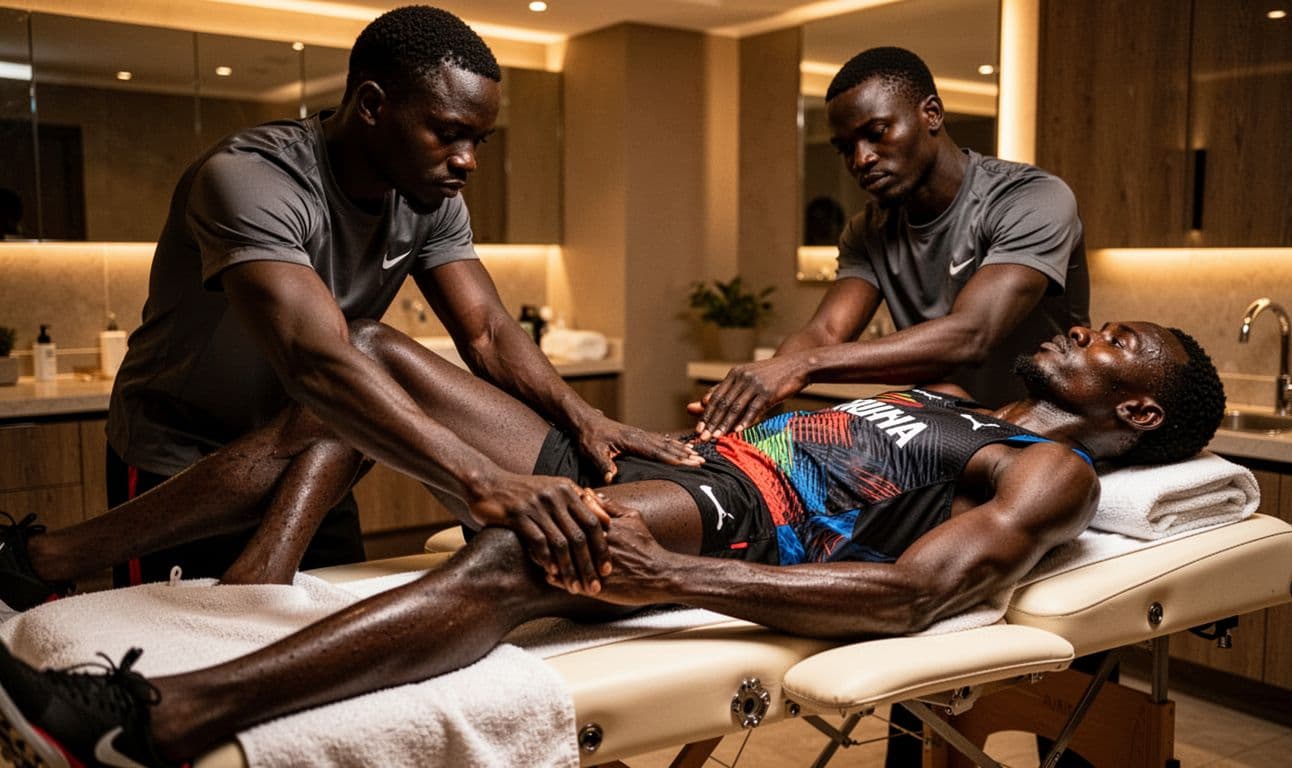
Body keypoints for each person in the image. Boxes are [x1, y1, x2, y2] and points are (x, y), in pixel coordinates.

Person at [0, 317, 1225, 767]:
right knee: (363, 361)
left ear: (1135, 413)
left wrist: (668, 573)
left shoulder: (1051, 473)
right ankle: (94, 567)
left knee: (523, 556)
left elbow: (911, 596)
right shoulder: (957, 406)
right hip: (673, 470)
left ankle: (167, 718)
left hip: (726, 521)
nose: (1084, 330)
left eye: (1114, 343)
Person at [105, 5, 696, 589]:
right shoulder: (253, 178)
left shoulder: (430, 198)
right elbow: (319, 362)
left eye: (479, 139)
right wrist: (483, 479)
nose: (467, 160)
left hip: (314, 449)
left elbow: (487, 332)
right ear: (371, 105)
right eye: (448, 133)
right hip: (183, 460)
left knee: (317, 617)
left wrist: (586, 417)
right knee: (178, 633)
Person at [695, 46, 1089, 440]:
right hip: (953, 433)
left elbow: (972, 334)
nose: (861, 159)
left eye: (877, 133)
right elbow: (825, 332)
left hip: (1050, 432)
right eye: (845, 148)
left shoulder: (1029, 198)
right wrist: (753, 395)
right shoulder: (868, 230)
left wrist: (802, 366)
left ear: (931, 113)